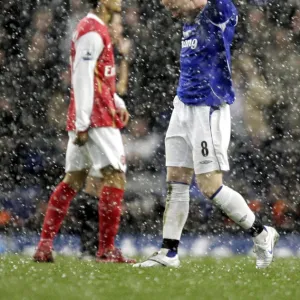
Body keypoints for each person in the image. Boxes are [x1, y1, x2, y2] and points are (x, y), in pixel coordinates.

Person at [133, 0, 279, 269]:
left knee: (210, 186)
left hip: (207, 107)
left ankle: (262, 233)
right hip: (183, 104)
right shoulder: (190, 18)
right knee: (176, 179)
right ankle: (169, 252)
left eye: (173, 3)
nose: (169, 9)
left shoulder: (218, 10)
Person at [33, 0, 135, 264]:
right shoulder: (92, 30)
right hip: (96, 118)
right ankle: (106, 250)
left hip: (94, 113)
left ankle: (44, 246)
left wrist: (118, 102)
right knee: (115, 178)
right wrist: (82, 122)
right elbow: (81, 76)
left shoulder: (94, 28)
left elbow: (100, 77)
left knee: (73, 180)